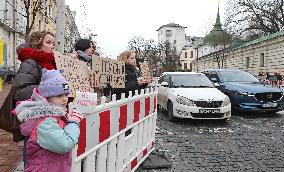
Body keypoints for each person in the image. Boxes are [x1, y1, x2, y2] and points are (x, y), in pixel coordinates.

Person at [12, 69, 82, 172]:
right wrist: (73, 122)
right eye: (59, 96)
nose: (65, 99)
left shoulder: (54, 116)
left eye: (66, 95)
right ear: (46, 97)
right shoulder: (45, 121)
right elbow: (64, 144)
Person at [5, 31, 56, 142]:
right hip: (34, 118)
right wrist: (51, 89)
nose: (52, 46)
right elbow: (20, 91)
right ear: (37, 44)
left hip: (48, 114)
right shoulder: (30, 62)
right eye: (48, 42)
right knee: (33, 148)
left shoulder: (53, 62)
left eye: (53, 44)